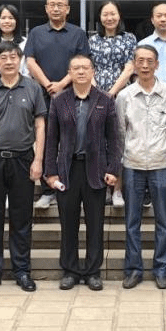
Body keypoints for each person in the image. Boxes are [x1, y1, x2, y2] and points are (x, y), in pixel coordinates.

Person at [0, 41, 47, 293]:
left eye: (13, 56)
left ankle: (22, 270)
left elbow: (40, 125)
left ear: (20, 59)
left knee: (21, 217)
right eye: (3, 57)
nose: (8, 61)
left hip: (23, 158)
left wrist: (38, 160)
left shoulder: (33, 88)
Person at [44, 55, 122, 291]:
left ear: (93, 72)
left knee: (95, 223)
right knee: (68, 223)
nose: (80, 72)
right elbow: (51, 139)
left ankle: (92, 271)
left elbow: (114, 139)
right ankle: (70, 270)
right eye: (76, 68)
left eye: (85, 68)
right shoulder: (59, 101)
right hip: (67, 170)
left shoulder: (105, 100)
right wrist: (51, 172)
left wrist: (113, 169)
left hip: (95, 169)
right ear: (69, 73)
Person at [115, 44, 166, 290]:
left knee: (164, 221)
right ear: (133, 65)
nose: (145, 65)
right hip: (133, 163)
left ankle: (161, 269)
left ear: (157, 64)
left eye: (150, 61)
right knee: (132, 222)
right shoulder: (124, 96)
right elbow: (120, 133)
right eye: (140, 61)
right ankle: (133, 269)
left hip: (162, 163)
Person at [24, 0, 89, 208]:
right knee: (46, 140)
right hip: (43, 95)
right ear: (46, 8)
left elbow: (83, 63)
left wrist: (61, 84)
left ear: (68, 9)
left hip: (72, 94)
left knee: (73, 139)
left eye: (60, 5)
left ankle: (71, 184)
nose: (56, 8)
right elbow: (30, 61)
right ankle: (47, 189)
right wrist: (48, 85)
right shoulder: (36, 33)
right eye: (52, 4)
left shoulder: (78, 33)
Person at [89, 0, 136, 207]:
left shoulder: (129, 38)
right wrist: (98, 93)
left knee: (118, 140)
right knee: (99, 140)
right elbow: (88, 67)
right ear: (100, 18)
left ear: (119, 16)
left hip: (122, 94)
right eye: (105, 14)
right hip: (96, 95)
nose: (109, 18)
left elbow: (129, 68)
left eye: (113, 14)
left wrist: (112, 93)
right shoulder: (92, 40)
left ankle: (117, 189)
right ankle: (102, 186)